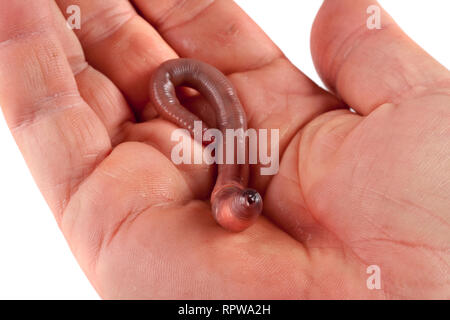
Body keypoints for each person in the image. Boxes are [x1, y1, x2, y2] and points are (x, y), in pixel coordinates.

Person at [0, 0, 448, 299]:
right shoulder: (231, 187)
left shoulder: (235, 193)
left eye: (242, 202)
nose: (247, 201)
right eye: (244, 202)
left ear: (226, 204)